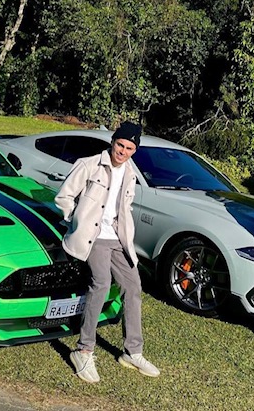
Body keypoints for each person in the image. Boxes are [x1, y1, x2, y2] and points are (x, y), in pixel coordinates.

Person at [54, 121, 160, 383]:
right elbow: (63, 197)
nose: (122, 151)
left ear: (134, 150)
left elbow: (124, 209)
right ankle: (84, 350)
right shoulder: (89, 164)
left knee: (133, 288)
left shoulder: (130, 174)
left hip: (118, 239)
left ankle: (132, 352)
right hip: (94, 238)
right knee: (101, 284)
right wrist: (75, 222)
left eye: (129, 148)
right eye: (120, 145)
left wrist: (124, 235)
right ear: (113, 142)